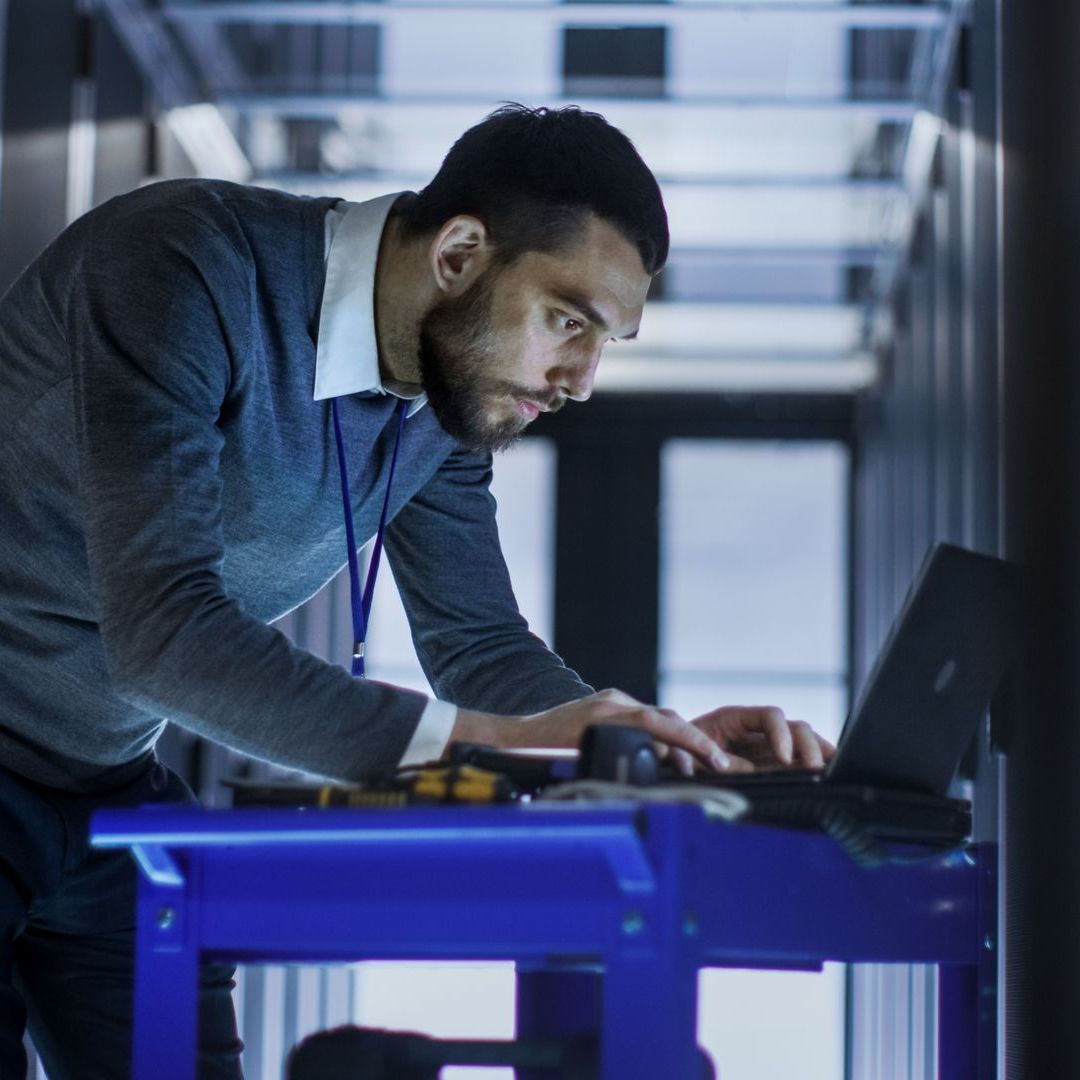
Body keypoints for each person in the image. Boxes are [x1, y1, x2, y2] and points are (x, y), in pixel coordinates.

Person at [0, 104, 833, 1077]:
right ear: (460, 253)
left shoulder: (441, 403)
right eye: (568, 322)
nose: (582, 381)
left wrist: (649, 738)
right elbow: (164, 635)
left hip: (103, 791)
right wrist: (485, 739)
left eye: (607, 342)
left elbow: (478, 646)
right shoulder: (180, 266)